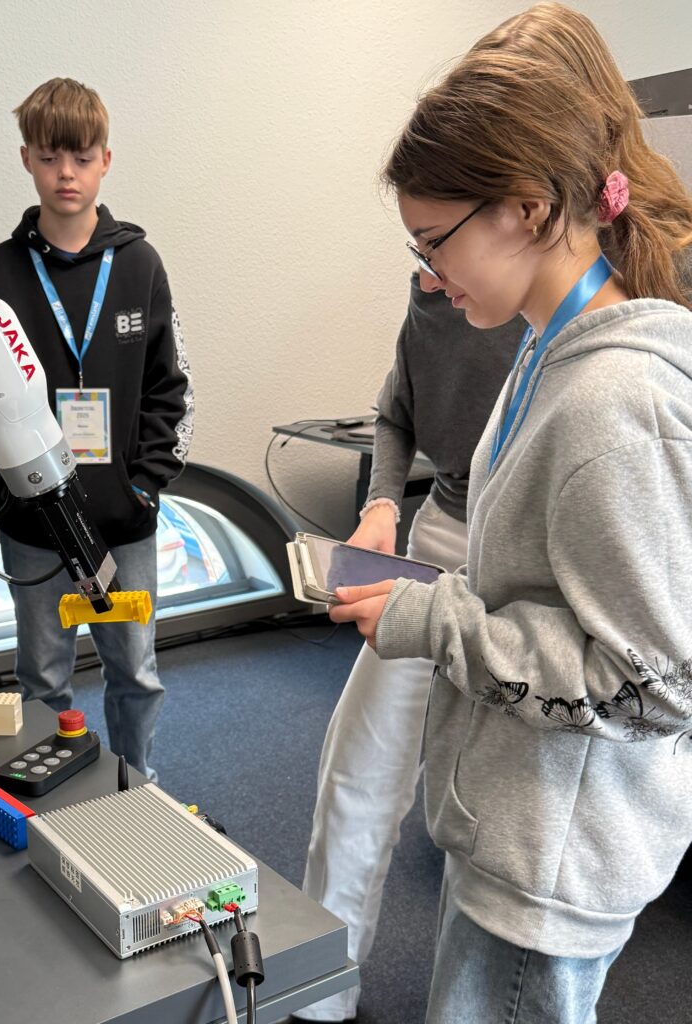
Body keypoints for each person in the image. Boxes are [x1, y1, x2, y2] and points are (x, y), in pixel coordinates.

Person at [298, 6, 692, 1019]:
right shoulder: (542, 346)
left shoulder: (614, 406)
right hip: (515, 828)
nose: (429, 275)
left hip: (550, 872)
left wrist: (433, 619)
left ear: (527, 208)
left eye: (436, 242)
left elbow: (651, 685)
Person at [296, 278, 522, 1023]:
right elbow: (396, 410)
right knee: (358, 763)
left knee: (495, 807)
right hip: (439, 539)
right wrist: (382, 503)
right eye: (417, 251)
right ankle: (324, 991)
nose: (429, 273)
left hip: (522, 558)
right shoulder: (434, 286)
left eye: (436, 245)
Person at [0, 78, 193, 780]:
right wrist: (15, 486)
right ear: (27, 160)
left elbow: (171, 388)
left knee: (136, 672)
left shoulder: (140, 265)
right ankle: (56, 805)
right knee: (43, 679)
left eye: (82, 157)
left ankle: (135, 788)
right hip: (35, 524)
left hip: (125, 524)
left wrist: (144, 487)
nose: (66, 173)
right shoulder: (0, 273)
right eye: (49, 157)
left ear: (106, 161)